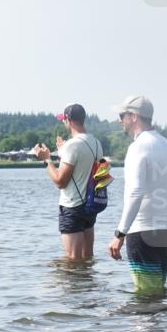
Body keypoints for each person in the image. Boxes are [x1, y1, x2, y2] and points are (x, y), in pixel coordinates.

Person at [106, 95, 167, 295]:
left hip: (142, 231)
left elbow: (136, 192)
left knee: (145, 298)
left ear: (134, 117)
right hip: (164, 231)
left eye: (122, 115)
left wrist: (120, 234)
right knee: (157, 294)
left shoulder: (138, 147)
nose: (119, 120)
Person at [31, 103, 104, 261]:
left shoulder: (73, 146)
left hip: (72, 207)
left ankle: (71, 287)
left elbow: (60, 181)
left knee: (72, 261)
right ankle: (88, 286)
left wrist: (47, 160)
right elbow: (82, 168)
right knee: (87, 259)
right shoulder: (96, 143)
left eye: (63, 120)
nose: (63, 123)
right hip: (90, 206)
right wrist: (63, 150)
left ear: (68, 120)